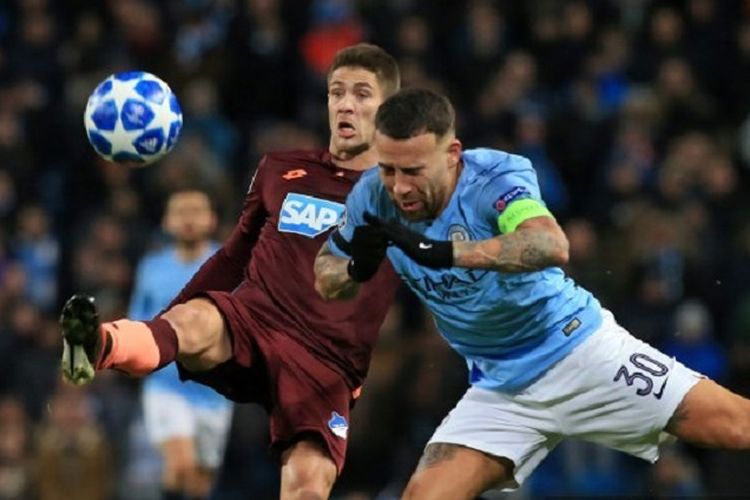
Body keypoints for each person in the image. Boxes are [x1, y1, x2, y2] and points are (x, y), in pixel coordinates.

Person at [313, 87, 750, 499]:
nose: (399, 186)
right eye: (388, 169)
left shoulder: (496, 176)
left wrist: (446, 252)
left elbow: (549, 244)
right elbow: (326, 276)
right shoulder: (371, 196)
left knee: (737, 426)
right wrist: (355, 265)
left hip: (578, 350)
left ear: (451, 155)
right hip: (500, 387)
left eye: (412, 171)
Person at [60, 43, 401, 500]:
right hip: (254, 319)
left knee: (307, 483)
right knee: (193, 322)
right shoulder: (281, 168)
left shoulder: (402, 192)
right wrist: (167, 320)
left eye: (362, 94)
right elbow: (231, 258)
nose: (345, 103)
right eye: (336, 92)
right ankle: (99, 345)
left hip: (327, 360)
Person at [128, 188, 232, 500]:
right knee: (180, 465)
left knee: (201, 482)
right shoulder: (151, 268)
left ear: (211, 219)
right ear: (166, 221)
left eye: (196, 210)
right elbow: (139, 323)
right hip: (166, 385)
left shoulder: (228, 266)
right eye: (180, 211)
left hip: (214, 391)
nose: (188, 219)